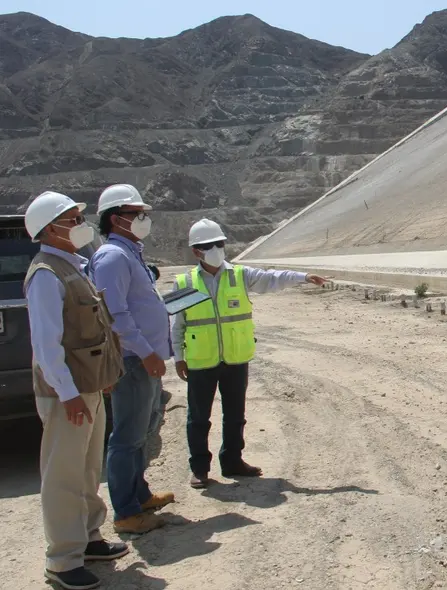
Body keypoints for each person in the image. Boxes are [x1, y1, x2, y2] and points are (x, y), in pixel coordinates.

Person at [23, 191, 129, 590]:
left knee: (86, 469)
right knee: (63, 475)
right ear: (51, 229)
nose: (82, 223)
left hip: (86, 387)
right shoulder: (46, 274)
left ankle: (89, 538)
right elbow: (47, 345)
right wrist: (67, 393)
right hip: (66, 392)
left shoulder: (74, 266)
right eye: (73, 218)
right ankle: (63, 560)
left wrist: (101, 376)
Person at [171, 219, 327, 488]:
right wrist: (178, 357)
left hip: (235, 359)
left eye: (220, 244)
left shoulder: (239, 275)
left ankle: (232, 461)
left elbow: (271, 278)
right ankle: (200, 469)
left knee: (235, 415)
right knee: (198, 418)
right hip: (200, 361)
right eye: (210, 246)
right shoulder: (185, 282)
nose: (217, 249)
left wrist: (302, 277)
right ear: (197, 251)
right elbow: (177, 324)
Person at [88, 184, 174, 535]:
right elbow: (116, 315)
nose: (143, 219)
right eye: (136, 214)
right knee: (126, 438)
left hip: (144, 360)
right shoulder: (112, 257)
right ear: (115, 218)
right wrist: (147, 352)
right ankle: (125, 512)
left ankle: (139, 496)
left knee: (142, 433)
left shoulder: (129, 253)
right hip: (135, 361)